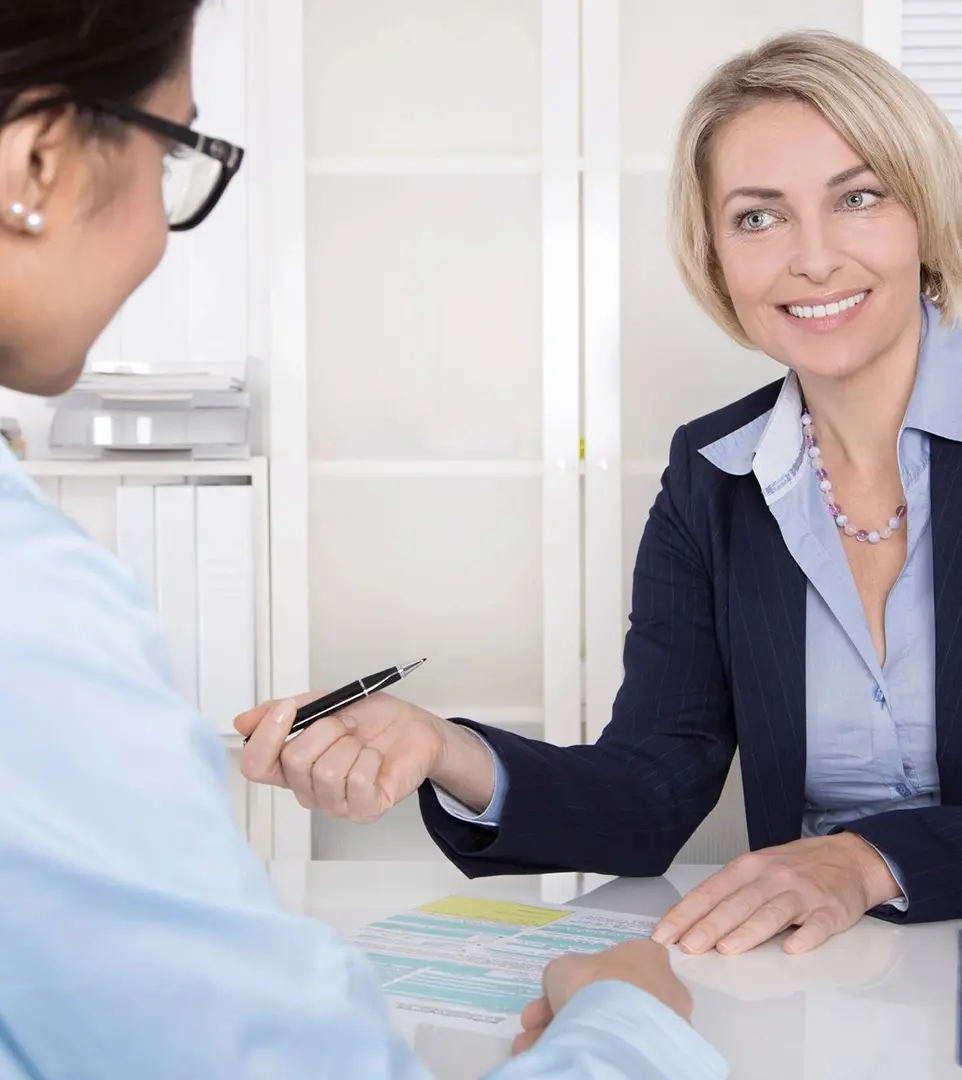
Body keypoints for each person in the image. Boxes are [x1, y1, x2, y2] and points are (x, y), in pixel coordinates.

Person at [0, 4, 730, 1080]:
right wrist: (628, 1025)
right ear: (41, 157)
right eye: (172, 153)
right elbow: (649, 790)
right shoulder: (32, 604)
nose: (160, 226)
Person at [239, 28, 962, 959]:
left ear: (925, 212)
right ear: (714, 254)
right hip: (826, 982)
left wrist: (866, 861)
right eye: (758, 217)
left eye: (858, 198)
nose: (812, 259)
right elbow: (649, 791)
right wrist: (441, 747)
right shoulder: (712, 476)